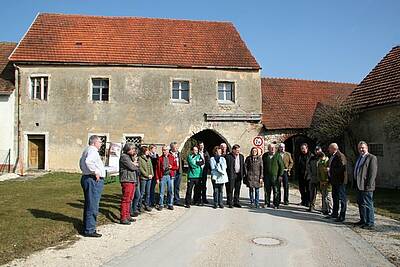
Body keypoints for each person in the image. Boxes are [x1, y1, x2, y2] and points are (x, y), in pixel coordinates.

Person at [79, 135, 105, 237]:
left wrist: (85, 171)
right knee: (93, 204)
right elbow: (88, 162)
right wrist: (95, 172)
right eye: (100, 142)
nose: (101, 144)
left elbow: (81, 163)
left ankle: (87, 226)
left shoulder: (86, 150)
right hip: (92, 179)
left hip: (87, 177)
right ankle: (90, 229)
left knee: (89, 204)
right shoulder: (93, 150)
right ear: (94, 142)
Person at [354, 141, 378, 229]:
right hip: (359, 185)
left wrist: (369, 185)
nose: (361, 149)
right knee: (361, 203)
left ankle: (370, 222)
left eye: (363, 148)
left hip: (367, 186)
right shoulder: (359, 157)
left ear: (366, 148)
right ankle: (363, 220)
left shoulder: (371, 158)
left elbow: (372, 174)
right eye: (359, 148)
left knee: (368, 204)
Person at [327, 143, 348, 222]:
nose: (328, 150)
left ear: (334, 148)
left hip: (340, 181)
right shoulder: (333, 156)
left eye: (329, 148)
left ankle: (342, 215)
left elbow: (342, 168)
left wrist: (331, 170)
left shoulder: (340, 156)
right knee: (334, 197)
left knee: (342, 198)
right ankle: (335, 213)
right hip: (334, 180)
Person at [119, 143, 139, 225]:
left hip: (132, 180)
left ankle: (127, 215)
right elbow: (132, 167)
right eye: (132, 149)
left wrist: (135, 163)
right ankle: (123, 217)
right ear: (127, 149)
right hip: (126, 180)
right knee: (126, 199)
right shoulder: (124, 157)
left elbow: (137, 165)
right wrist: (134, 164)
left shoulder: (130, 157)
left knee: (130, 199)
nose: (133, 150)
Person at [262, 144, 284, 209]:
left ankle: (276, 204)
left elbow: (281, 167)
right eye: (271, 148)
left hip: (275, 176)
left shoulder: (278, 156)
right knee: (267, 190)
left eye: (274, 148)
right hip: (267, 176)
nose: (272, 149)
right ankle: (267, 203)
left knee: (276, 190)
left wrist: (280, 175)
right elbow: (262, 166)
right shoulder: (265, 156)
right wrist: (262, 175)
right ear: (268, 148)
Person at [155, 145, 178, 210]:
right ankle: (161, 204)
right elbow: (157, 169)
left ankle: (170, 204)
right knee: (162, 192)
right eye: (163, 150)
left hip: (170, 176)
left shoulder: (172, 157)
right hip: (162, 176)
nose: (164, 151)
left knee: (170, 191)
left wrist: (172, 167)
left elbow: (176, 167)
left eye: (165, 150)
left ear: (168, 150)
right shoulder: (160, 158)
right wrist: (157, 178)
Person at [316, 148, 332, 215]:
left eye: (321, 158)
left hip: (328, 183)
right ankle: (324, 209)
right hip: (322, 182)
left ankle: (330, 210)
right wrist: (320, 181)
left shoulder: (328, 161)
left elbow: (330, 173)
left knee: (328, 197)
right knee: (323, 196)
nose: (320, 160)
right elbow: (318, 173)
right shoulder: (319, 163)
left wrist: (327, 181)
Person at [139, 146, 154, 212]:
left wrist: (152, 174)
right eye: (147, 150)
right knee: (142, 192)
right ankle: (139, 205)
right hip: (143, 178)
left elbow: (151, 167)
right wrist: (147, 175)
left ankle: (146, 204)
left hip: (149, 178)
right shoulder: (140, 159)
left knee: (148, 192)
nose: (148, 152)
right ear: (144, 151)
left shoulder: (149, 158)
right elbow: (141, 169)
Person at [307, 146, 322, 212]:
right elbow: (308, 166)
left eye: (318, 150)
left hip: (321, 178)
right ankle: (311, 206)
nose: (317, 151)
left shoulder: (323, 157)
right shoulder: (312, 158)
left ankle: (325, 208)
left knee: (324, 194)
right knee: (312, 193)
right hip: (313, 178)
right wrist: (310, 175)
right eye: (316, 150)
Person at [170, 142, 184, 206]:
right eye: (175, 147)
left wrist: (181, 170)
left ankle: (177, 200)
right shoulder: (169, 154)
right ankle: (170, 200)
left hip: (179, 172)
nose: (176, 148)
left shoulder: (179, 153)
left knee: (177, 186)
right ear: (172, 148)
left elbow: (181, 162)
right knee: (171, 187)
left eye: (177, 147)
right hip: (172, 172)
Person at [130, 147, 141, 217]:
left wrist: (137, 165)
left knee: (138, 195)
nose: (136, 156)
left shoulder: (137, 161)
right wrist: (134, 164)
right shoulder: (130, 160)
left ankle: (134, 208)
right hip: (132, 179)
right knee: (131, 196)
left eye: (136, 155)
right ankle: (130, 210)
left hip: (137, 180)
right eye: (135, 154)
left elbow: (139, 171)